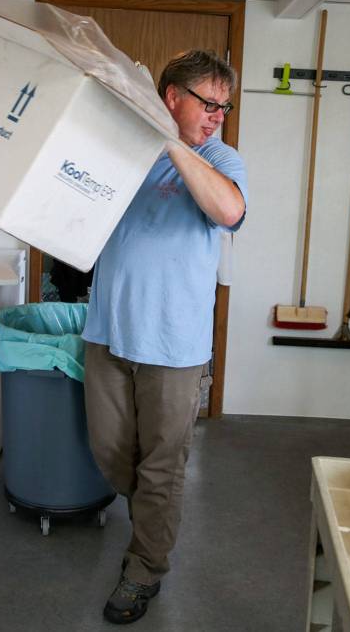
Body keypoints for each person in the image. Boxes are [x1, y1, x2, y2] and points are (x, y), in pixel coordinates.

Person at [81, 50, 248, 625]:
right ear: (171, 96)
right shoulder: (127, 149)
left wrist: (175, 145)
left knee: (161, 465)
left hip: (174, 348)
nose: (217, 116)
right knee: (110, 452)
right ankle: (152, 515)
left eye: (224, 107)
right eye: (207, 103)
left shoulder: (221, 158)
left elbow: (228, 211)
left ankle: (145, 566)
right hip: (108, 333)